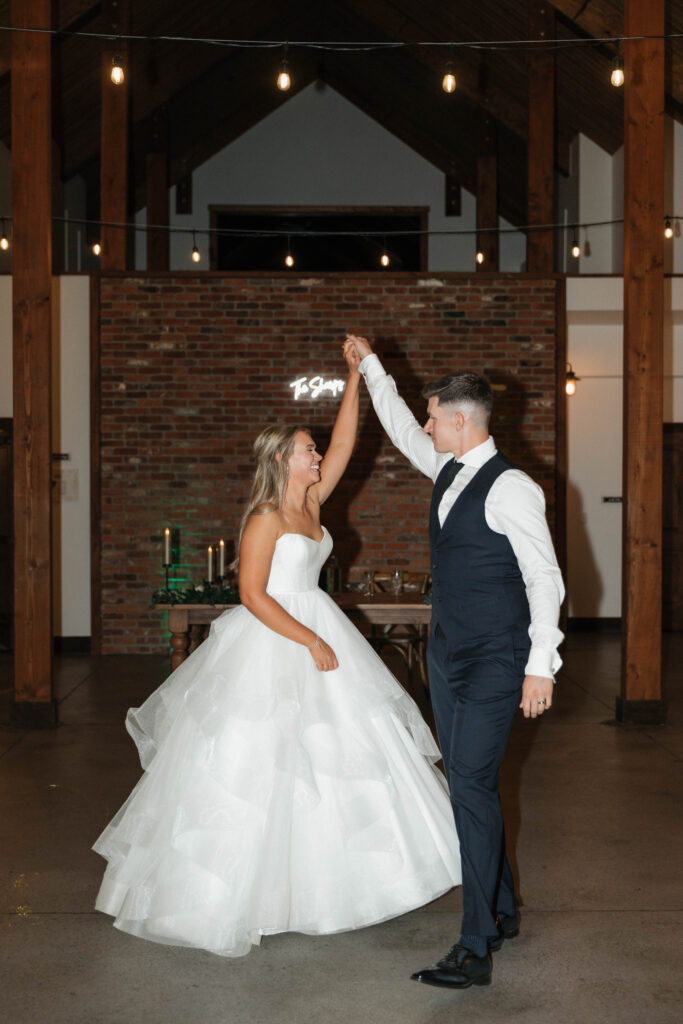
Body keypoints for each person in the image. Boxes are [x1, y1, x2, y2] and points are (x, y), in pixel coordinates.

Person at [93, 343, 461, 959]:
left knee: (334, 756)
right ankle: (237, 896)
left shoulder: (312, 502)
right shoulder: (265, 517)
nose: (317, 455)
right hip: (274, 640)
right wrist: (311, 638)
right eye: (307, 450)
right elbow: (252, 594)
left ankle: (333, 888)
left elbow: (346, 444)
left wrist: (353, 377)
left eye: (314, 449)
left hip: (319, 625)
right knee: (258, 760)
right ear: (282, 460)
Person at [344, 334, 564, 990]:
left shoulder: (512, 488)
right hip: (446, 654)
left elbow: (544, 578)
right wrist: (370, 367)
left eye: (433, 416)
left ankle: (474, 945)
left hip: (496, 657)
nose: (425, 425)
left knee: (467, 786)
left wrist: (540, 665)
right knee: (470, 784)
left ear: (460, 421)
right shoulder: (446, 468)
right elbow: (397, 424)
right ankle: (501, 908)